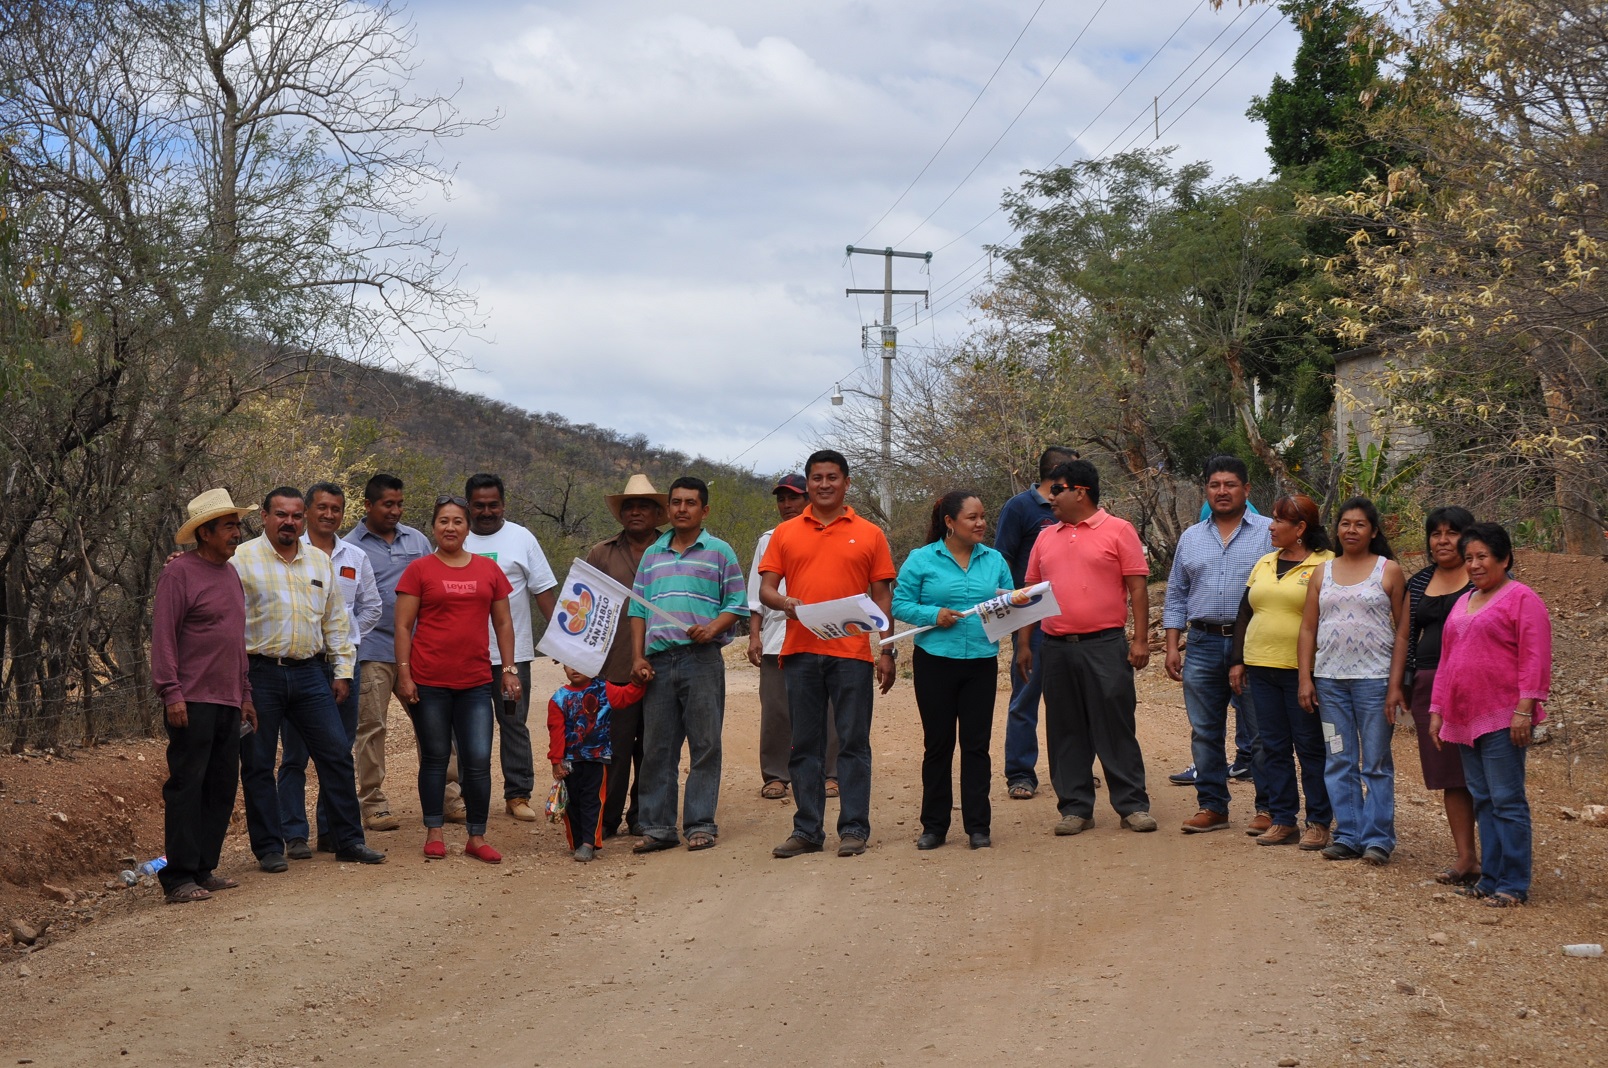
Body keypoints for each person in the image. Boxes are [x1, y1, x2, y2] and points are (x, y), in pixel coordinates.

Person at [234, 487, 386, 870]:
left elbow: (337, 621)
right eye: (281, 514)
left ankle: (349, 839)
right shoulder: (242, 559)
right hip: (260, 672)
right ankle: (269, 847)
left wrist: (342, 670)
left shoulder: (319, 562)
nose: (289, 521)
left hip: (310, 672)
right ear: (265, 517)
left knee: (336, 754)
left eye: (295, 515)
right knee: (258, 761)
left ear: (302, 520)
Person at [761, 449, 898, 859]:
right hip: (800, 651)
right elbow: (766, 589)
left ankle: (854, 828)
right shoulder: (785, 534)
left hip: (852, 654)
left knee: (854, 742)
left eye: (832, 477)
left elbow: (882, 597)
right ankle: (807, 831)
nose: (824, 484)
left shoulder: (870, 533)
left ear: (846, 483)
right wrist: (784, 603)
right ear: (808, 484)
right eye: (817, 478)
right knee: (805, 744)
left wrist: (886, 649)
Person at [1017, 459, 1157, 835]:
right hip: (1057, 647)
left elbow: (1138, 587)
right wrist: (1025, 644)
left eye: (1056, 490)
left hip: (1106, 645)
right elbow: (1031, 594)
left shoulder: (1119, 530)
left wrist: (1140, 639)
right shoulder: (1046, 536)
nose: (1050, 498)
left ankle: (1132, 805)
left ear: (1081, 491)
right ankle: (1075, 808)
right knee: (1065, 727)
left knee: (1115, 724)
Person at [1429, 523, 1550, 908]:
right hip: (1465, 717)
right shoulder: (1465, 601)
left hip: (1504, 716)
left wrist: (1524, 709)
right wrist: (1437, 711)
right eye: (1470, 558)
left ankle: (1513, 884)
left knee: (1507, 800)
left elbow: (1535, 656)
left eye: (1483, 556)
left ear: (1505, 558)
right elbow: (1447, 661)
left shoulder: (1521, 598)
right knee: (1483, 799)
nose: (1475, 564)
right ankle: (1490, 878)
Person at [628, 476, 749, 854]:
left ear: (704, 510)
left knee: (705, 744)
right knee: (657, 747)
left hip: (702, 659)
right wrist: (638, 656)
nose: (682, 508)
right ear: (668, 508)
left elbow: (737, 605)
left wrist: (712, 628)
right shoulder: (652, 555)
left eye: (690, 502)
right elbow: (637, 608)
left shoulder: (719, 551)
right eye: (676, 502)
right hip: (660, 662)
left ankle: (700, 824)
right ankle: (659, 828)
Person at [394, 495, 518, 862]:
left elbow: (504, 622)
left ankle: (476, 837)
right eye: (444, 521)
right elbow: (402, 626)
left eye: (458, 521)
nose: (451, 527)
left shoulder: (488, 570)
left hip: (476, 683)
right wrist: (405, 673)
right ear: (434, 526)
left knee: (477, 759)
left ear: (468, 528)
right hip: (429, 681)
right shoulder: (419, 570)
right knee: (434, 757)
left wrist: (509, 670)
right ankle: (434, 831)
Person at [150, 489, 256, 903]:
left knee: (221, 786)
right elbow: (163, 638)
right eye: (229, 526)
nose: (236, 533)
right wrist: (171, 692)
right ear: (206, 532)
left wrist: (245, 693)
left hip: (229, 699)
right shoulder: (179, 574)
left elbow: (236, 640)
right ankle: (177, 878)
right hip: (191, 698)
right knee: (187, 786)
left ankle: (203, 868)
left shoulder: (230, 574)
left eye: (236, 525)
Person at [892, 491, 1014, 850]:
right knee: (938, 744)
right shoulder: (921, 559)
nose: (981, 524)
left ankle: (978, 826)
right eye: (972, 518)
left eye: (982, 517)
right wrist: (934, 615)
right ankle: (934, 826)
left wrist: (1016, 601)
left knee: (976, 746)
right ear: (950, 522)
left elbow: (1007, 601)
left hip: (980, 661)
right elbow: (900, 602)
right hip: (934, 661)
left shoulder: (994, 560)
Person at [1162, 455, 1272, 834]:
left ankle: (1269, 808)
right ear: (1205, 490)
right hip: (1204, 642)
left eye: (1230, 484)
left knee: (1261, 731)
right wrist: (1172, 645)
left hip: (1255, 644)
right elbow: (1176, 593)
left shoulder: (1269, 533)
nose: (1221, 492)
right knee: (1205, 730)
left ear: (1246, 489)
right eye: (1214, 485)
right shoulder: (1191, 537)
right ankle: (1213, 806)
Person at [1298, 496, 1407, 865]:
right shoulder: (1322, 572)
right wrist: (1306, 678)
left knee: (1375, 761)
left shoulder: (1388, 571)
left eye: (1360, 524)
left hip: (1374, 681)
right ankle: (1348, 834)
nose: (1351, 530)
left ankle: (1377, 839)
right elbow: (1309, 627)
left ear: (1373, 531)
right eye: (1345, 523)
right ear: (1336, 529)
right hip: (1330, 682)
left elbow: (1403, 630)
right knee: (1339, 757)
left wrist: (1396, 684)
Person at [277, 482, 382, 858]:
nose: (328, 515)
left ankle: (331, 831)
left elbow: (372, 606)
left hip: (341, 666)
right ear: (306, 511)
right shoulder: (289, 553)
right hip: (299, 666)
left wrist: (348, 641)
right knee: (294, 755)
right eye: (321, 507)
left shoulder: (355, 556)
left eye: (336, 508)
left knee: (337, 752)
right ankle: (294, 834)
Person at [1229, 494, 1334, 850]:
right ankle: (1283, 818)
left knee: (1309, 747)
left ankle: (1319, 821)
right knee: (1272, 746)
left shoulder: (1326, 564)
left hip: (1302, 671)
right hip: (1261, 668)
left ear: (1301, 528)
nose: (1271, 526)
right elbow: (1245, 613)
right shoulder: (1265, 562)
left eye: (1278, 520)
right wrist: (1238, 659)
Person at [344, 473, 445, 831]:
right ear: (368, 505)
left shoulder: (417, 540)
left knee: (434, 726)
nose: (396, 510)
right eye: (388, 504)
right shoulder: (349, 547)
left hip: (419, 650)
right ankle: (373, 804)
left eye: (400, 503)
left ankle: (448, 796)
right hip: (371, 650)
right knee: (371, 727)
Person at [1388, 507, 1479, 885]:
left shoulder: (1481, 577)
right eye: (1435, 532)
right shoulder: (1421, 579)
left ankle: (1499, 860)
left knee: (1481, 772)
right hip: (1428, 684)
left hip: (1475, 686)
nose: (1442, 540)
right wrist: (1397, 685)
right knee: (1449, 774)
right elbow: (1405, 635)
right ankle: (1466, 858)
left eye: (1452, 532)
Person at [463, 473, 559, 823]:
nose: (486, 512)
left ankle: (517, 794)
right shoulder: (456, 536)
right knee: (468, 728)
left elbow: (543, 592)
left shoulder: (522, 538)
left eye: (493, 505)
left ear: (503, 504)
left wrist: (563, 640)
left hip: (512, 656)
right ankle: (466, 797)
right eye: (479, 505)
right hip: (465, 655)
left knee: (513, 723)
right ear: (469, 506)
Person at [747, 473, 839, 800]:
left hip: (823, 634)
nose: (786, 505)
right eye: (781, 499)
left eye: (793, 498)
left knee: (828, 707)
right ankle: (776, 774)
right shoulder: (768, 539)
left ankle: (831, 773)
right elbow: (756, 597)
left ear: (810, 498)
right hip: (777, 637)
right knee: (776, 709)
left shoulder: (832, 534)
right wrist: (754, 636)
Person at [994, 446, 1078, 800]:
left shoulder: (1077, 507)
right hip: (1033, 620)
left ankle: (1073, 770)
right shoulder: (1020, 507)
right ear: (1058, 472)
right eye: (1075, 471)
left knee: (1072, 699)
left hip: (1074, 618)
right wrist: (1015, 615)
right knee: (1026, 695)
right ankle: (1020, 773)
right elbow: (1002, 562)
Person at [585, 474, 667, 838]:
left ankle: (644, 816)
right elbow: (582, 607)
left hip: (663, 665)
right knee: (615, 750)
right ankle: (608, 818)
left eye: (643, 506)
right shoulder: (601, 553)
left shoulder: (672, 550)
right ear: (620, 513)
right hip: (614, 667)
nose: (635, 512)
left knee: (654, 748)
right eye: (629, 506)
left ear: (656, 512)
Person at [546, 663, 646, 862]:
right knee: (572, 804)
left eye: (580, 663)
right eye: (569, 664)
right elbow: (556, 732)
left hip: (596, 759)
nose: (575, 668)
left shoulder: (603, 689)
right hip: (570, 763)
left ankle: (588, 843)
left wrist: (639, 683)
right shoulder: (558, 698)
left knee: (592, 801)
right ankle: (577, 842)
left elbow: (627, 696)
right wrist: (556, 761)